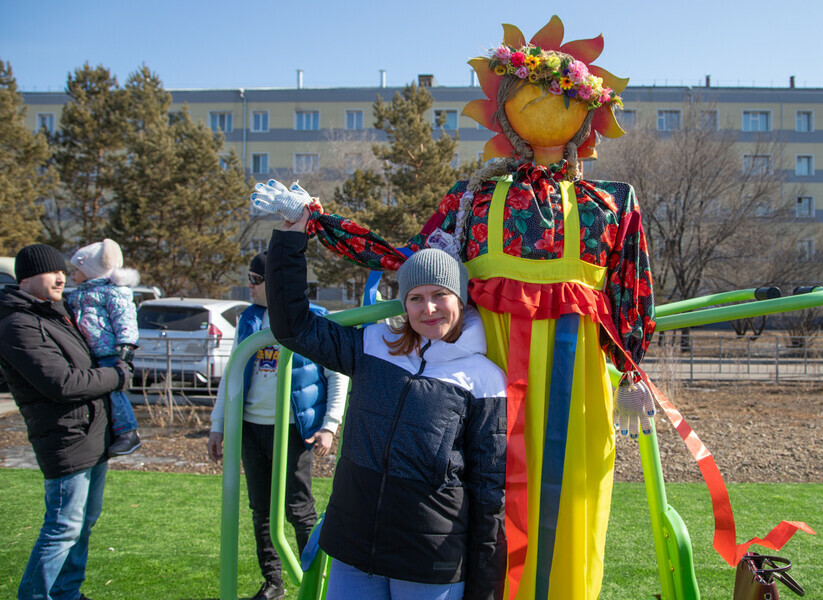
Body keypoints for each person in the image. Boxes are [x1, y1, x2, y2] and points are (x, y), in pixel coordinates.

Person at [249, 16, 654, 599]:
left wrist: (635, 369)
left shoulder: (612, 202)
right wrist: (318, 225)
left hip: (576, 382)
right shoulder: (475, 197)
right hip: (478, 369)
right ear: (504, 110)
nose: (544, 104)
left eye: (561, 93)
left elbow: (631, 292)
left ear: (587, 111)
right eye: (529, 92)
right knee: (484, 491)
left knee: (568, 498)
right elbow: (408, 259)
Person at [266, 217, 508, 600]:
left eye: (439, 294)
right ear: (404, 303)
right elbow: (293, 326)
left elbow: (488, 491)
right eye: (415, 297)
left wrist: (486, 589)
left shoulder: (484, 378)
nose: (428, 308)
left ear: (460, 299)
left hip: (430, 561)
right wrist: (290, 236)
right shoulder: (373, 345)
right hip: (353, 546)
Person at [207, 251, 349, 600]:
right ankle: (273, 582)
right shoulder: (249, 320)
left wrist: (330, 425)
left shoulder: (315, 319)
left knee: (299, 509)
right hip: (252, 427)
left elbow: (337, 375)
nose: (249, 287)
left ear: (276, 282)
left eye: (255, 281)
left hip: (293, 429)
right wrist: (219, 423)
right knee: (260, 509)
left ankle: (313, 581)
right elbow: (234, 373)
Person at [0, 243, 132, 600]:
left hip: (92, 434)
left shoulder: (56, 312)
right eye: (52, 271)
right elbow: (63, 383)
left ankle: (67, 593)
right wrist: (118, 376)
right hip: (65, 440)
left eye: (63, 270)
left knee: (83, 524)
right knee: (63, 527)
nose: (61, 276)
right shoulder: (17, 324)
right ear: (26, 279)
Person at [67, 238, 142, 456]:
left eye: (77, 269)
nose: (72, 274)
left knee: (114, 392)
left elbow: (125, 319)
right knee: (101, 394)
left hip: (109, 352)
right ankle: (111, 430)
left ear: (90, 269)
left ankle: (128, 432)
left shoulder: (112, 292)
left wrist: (126, 347)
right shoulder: (81, 294)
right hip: (91, 352)